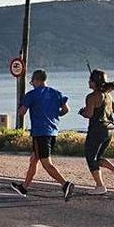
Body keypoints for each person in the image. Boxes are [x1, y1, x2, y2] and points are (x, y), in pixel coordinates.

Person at [10, 70, 75, 201]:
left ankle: (65, 184)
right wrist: (55, 115)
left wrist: (21, 106)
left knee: (46, 163)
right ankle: (24, 187)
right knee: (34, 159)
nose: (32, 84)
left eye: (32, 81)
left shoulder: (32, 94)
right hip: (53, 132)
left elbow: (21, 112)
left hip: (40, 133)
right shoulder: (56, 93)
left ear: (36, 80)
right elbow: (66, 110)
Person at [80, 69, 114, 195]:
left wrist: (82, 111)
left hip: (97, 131)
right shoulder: (108, 95)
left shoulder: (91, 96)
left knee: (90, 158)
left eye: (90, 80)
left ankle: (100, 186)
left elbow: (89, 114)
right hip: (110, 130)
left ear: (95, 82)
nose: (88, 82)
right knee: (97, 157)